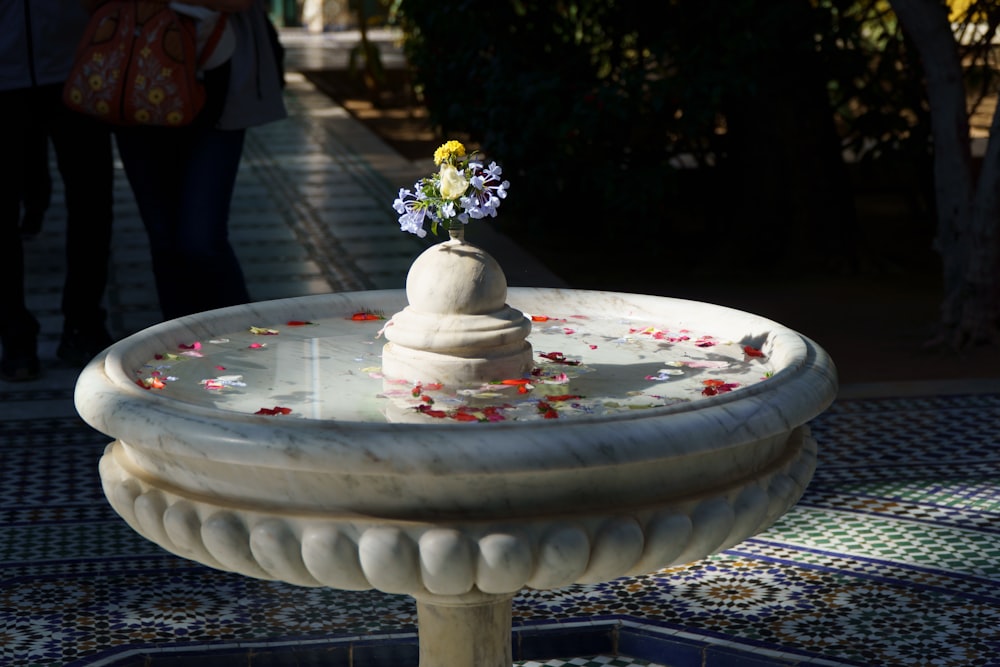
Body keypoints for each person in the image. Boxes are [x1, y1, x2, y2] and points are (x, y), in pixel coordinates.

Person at [108, 0, 287, 320]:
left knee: (200, 240)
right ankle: (181, 351)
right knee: (164, 241)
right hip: (136, 85)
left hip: (219, 86)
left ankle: (245, 341)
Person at [0, 1, 115, 382]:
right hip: (5, 78)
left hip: (81, 67)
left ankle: (83, 322)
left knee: (92, 203)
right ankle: (15, 334)